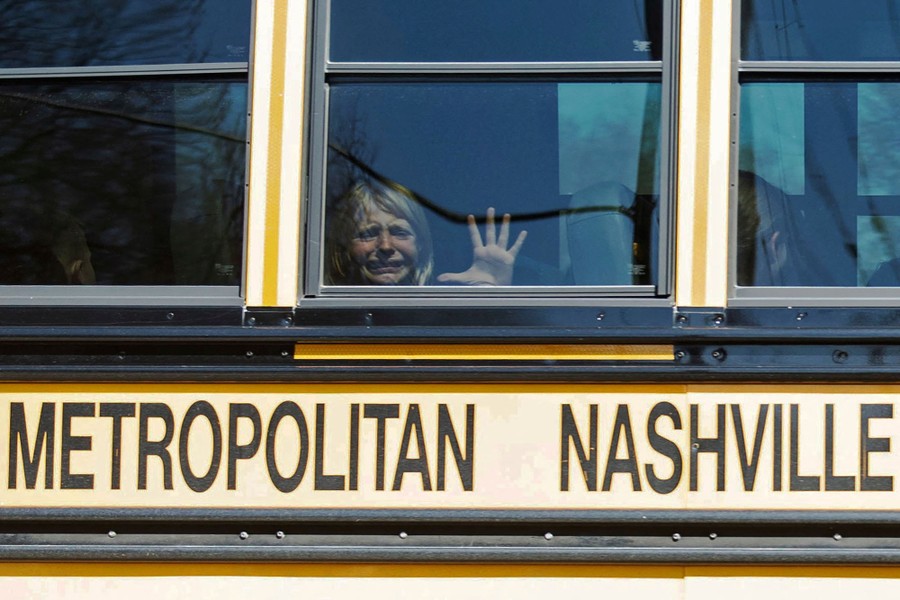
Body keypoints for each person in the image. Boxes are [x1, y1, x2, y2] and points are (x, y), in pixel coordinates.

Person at [324, 179, 526, 286]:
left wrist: (489, 290)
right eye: (368, 234)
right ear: (344, 247)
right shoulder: (324, 314)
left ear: (420, 244)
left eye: (399, 232)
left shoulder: (444, 307)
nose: (385, 246)